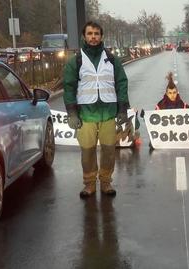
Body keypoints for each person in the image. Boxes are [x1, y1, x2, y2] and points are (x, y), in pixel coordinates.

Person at [63, 21, 129, 198]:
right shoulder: (75, 61)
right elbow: (68, 87)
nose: (93, 37)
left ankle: (106, 182)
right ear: (84, 36)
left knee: (108, 151)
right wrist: (72, 113)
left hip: (108, 113)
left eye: (97, 33)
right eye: (90, 33)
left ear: (101, 36)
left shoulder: (111, 59)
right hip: (86, 115)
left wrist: (122, 109)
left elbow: (122, 83)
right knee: (87, 152)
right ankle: (90, 183)